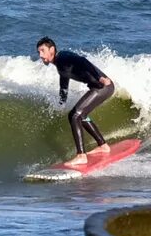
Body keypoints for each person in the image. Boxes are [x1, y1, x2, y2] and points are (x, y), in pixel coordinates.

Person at [36, 36, 114, 167]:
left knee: (75, 115)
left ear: (52, 49)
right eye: (38, 52)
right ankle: (103, 146)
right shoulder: (60, 65)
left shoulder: (63, 57)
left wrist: (100, 77)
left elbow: (83, 61)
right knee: (81, 116)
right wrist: (60, 104)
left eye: (42, 51)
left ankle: (81, 156)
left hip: (103, 86)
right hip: (99, 87)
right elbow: (64, 85)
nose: (40, 55)